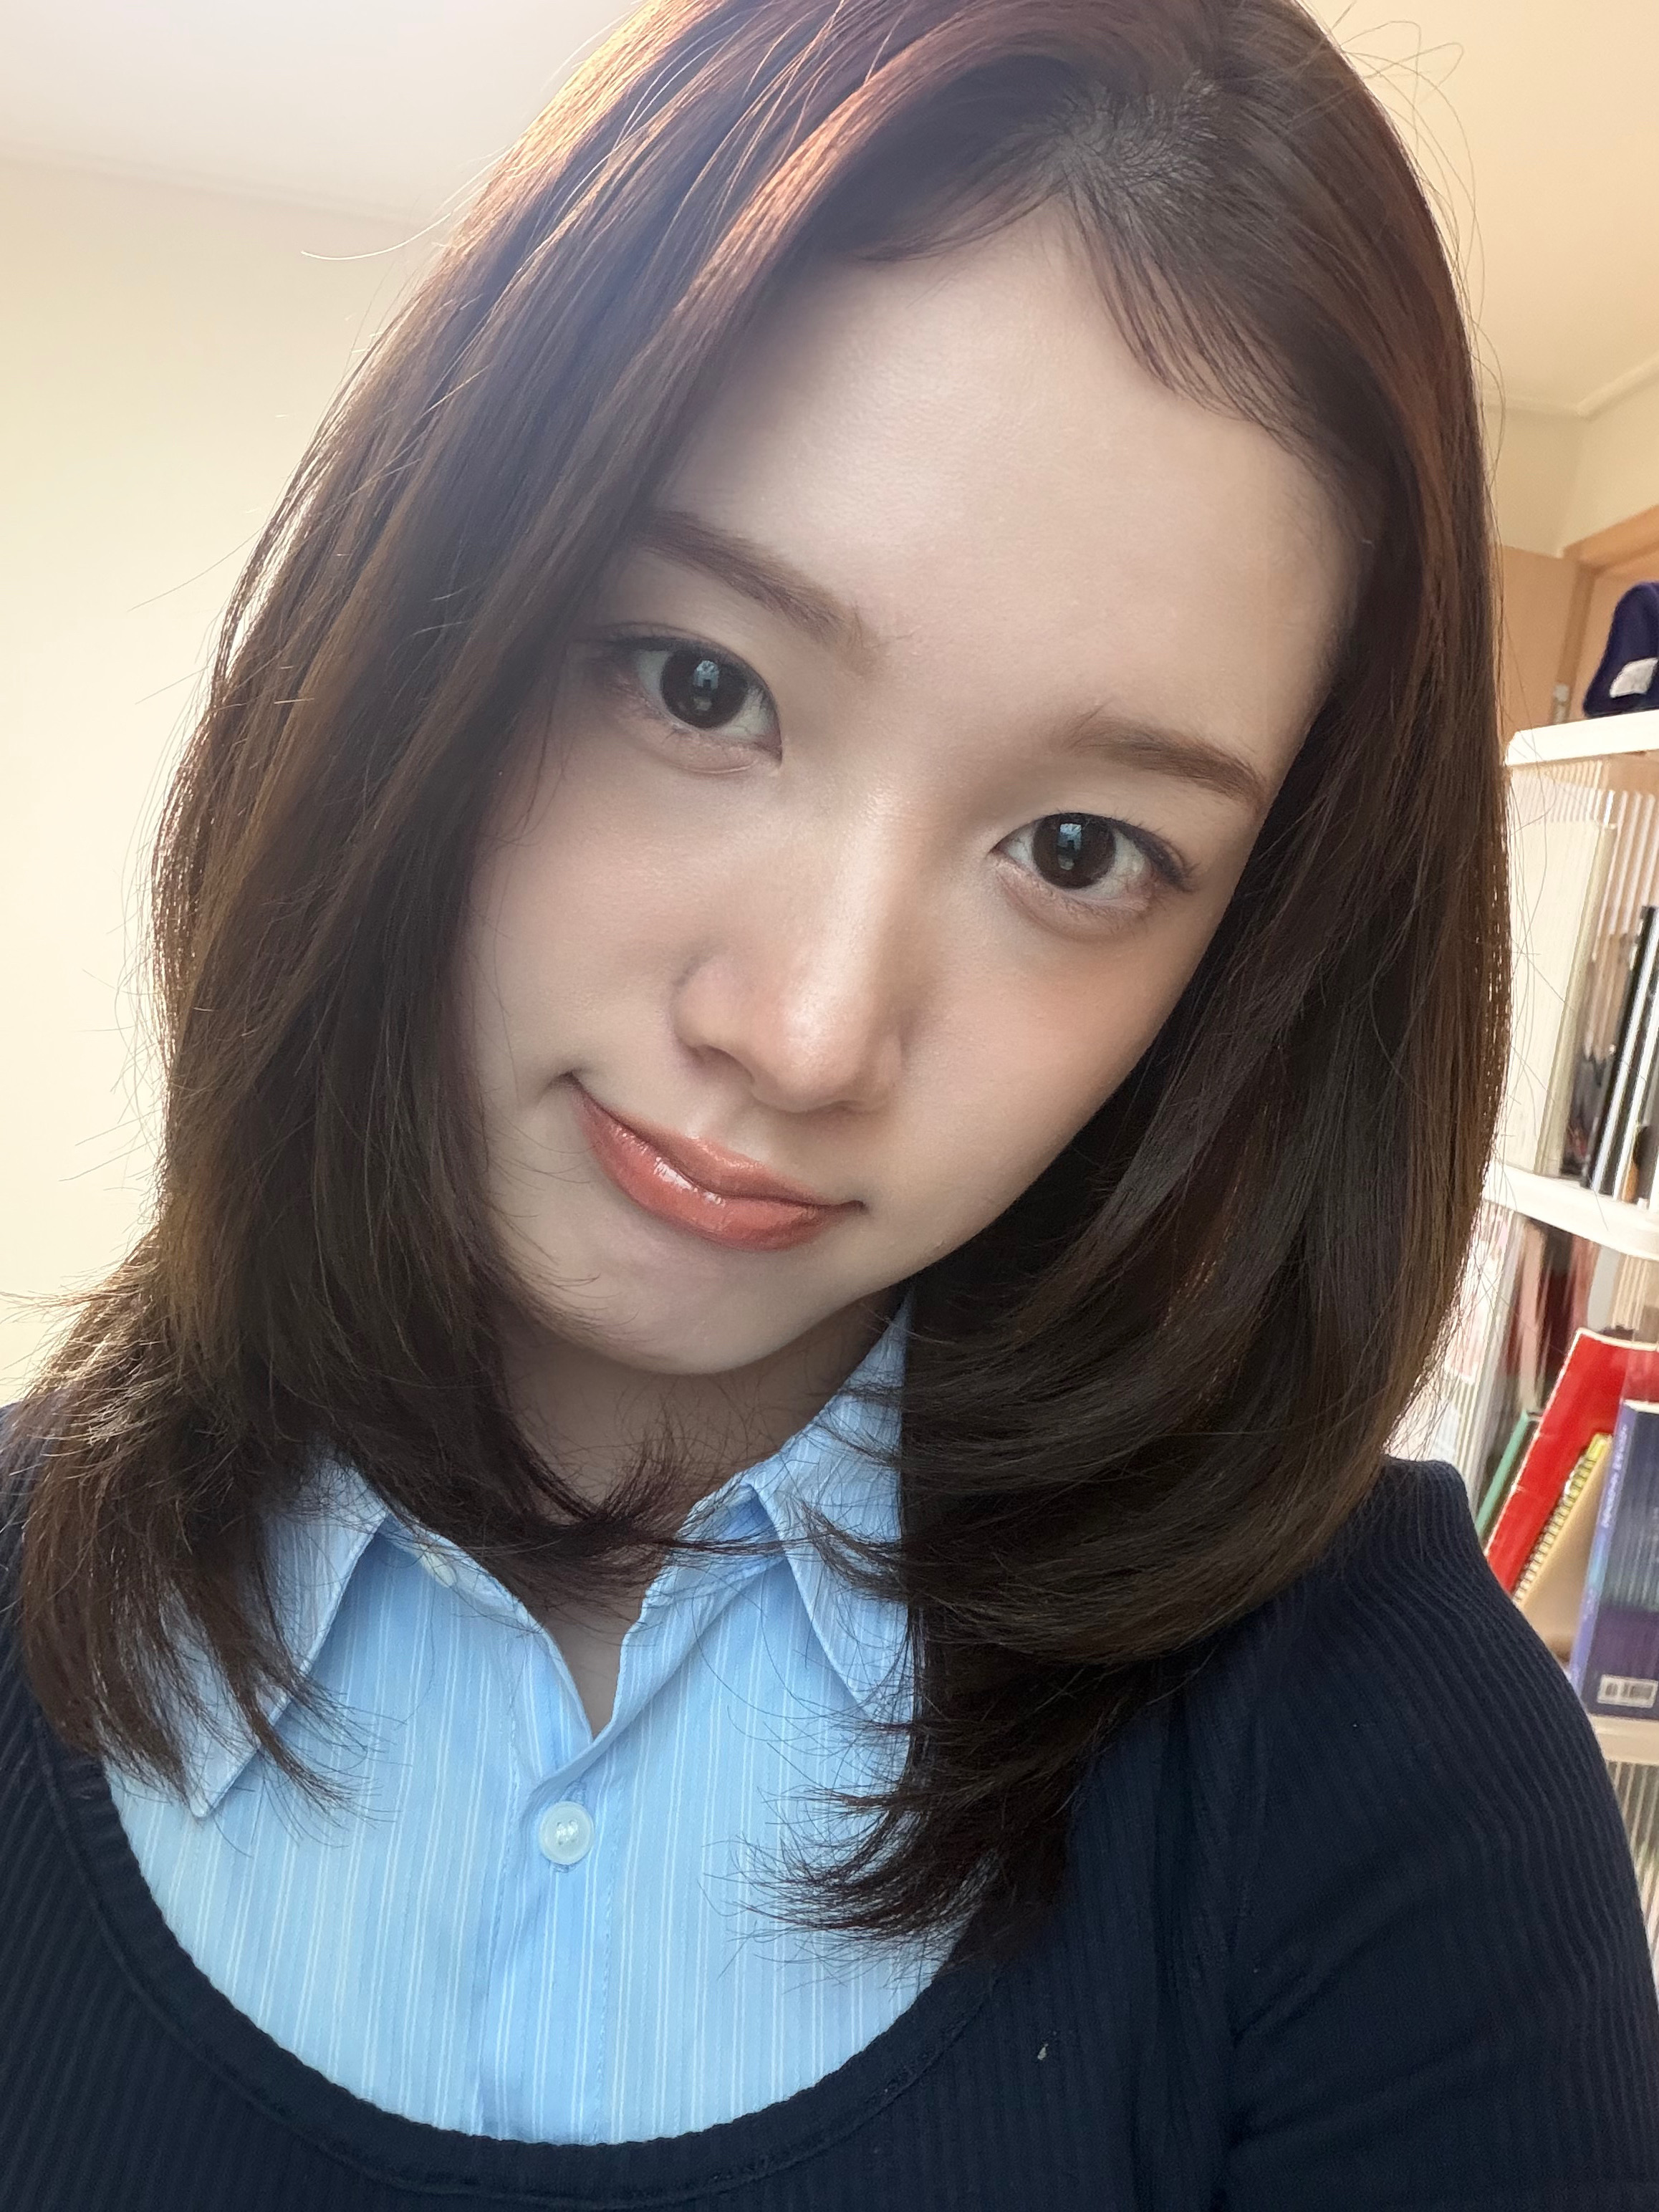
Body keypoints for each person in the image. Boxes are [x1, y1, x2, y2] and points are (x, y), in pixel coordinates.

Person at [3, 0, 1657, 2203]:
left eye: (1077, 850)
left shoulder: (1388, 1769)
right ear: (421, 628)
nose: (804, 1033)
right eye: (702, 685)